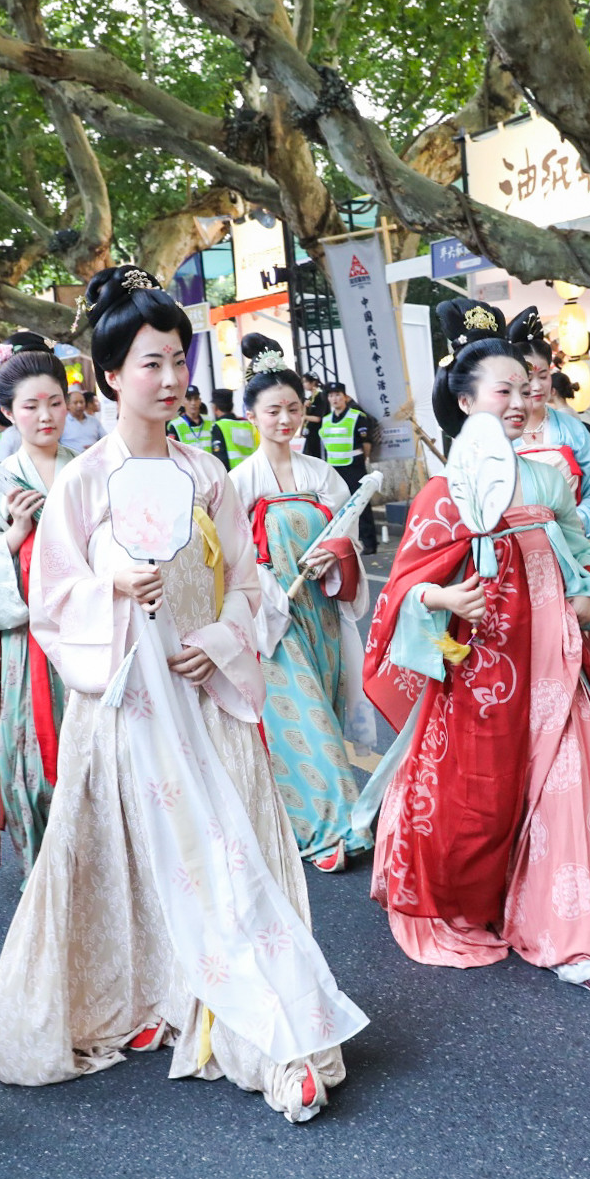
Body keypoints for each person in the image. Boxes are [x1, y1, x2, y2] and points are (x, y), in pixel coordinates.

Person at [0, 265, 364, 1123]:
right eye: (150, 363)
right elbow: (49, 604)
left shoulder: (207, 475)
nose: (171, 377)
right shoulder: (78, 483)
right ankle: (157, 990)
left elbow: (249, 587)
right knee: (135, 863)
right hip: (121, 706)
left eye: (179, 359)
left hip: (202, 696)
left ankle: (270, 1027)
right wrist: (111, 588)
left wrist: (220, 641)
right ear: (110, 377)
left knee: (229, 862)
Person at [357, 299, 590, 1001]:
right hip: (483, 674)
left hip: (554, 660)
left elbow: (580, 546)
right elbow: (402, 594)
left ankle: (587, 937)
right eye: (500, 391)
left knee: (577, 792)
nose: (518, 402)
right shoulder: (445, 493)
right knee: (480, 807)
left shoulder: (547, 477)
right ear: (465, 400)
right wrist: (442, 601)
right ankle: (499, 904)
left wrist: (588, 587)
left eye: (523, 389)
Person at [229, 334, 378, 874]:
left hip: (321, 609)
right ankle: (334, 828)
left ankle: (296, 818)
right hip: (273, 616)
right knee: (303, 717)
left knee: (323, 714)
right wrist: (266, 585)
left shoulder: (322, 476)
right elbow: (229, 557)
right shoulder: (237, 483)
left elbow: (349, 536)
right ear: (251, 416)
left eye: (294, 408)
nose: (285, 419)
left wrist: (336, 557)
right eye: (273, 411)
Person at [0, 337, 74, 876]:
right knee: (34, 761)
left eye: (55, 401)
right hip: (31, 646)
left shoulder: (90, 469)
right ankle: (47, 871)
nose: (45, 415)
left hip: (94, 631)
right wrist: (15, 534)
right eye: (30, 405)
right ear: (6, 413)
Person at [505, 308, 590, 716]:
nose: (536, 385)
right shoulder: (500, 432)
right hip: (522, 556)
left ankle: (587, 741)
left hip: (573, 547)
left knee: (579, 649)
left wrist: (577, 527)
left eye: (542, 374)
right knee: (530, 652)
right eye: (526, 377)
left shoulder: (574, 428)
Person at [307, 382, 379, 555]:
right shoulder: (326, 420)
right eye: (331, 395)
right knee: (337, 505)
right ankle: (344, 541)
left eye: (338, 395)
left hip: (354, 465)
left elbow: (366, 443)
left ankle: (370, 542)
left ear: (345, 397)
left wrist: (364, 460)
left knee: (360, 503)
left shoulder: (356, 416)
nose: (334, 399)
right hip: (334, 468)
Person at [208, 387, 258, 470]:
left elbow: (220, 460)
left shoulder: (219, 426)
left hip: (233, 477)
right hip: (252, 472)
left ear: (215, 408)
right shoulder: (248, 424)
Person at [59, 386, 108, 453]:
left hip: (93, 458)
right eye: (75, 403)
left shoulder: (94, 421)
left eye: (81, 402)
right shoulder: (62, 423)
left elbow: (106, 440)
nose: (79, 405)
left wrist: (95, 447)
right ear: (68, 405)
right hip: (71, 461)